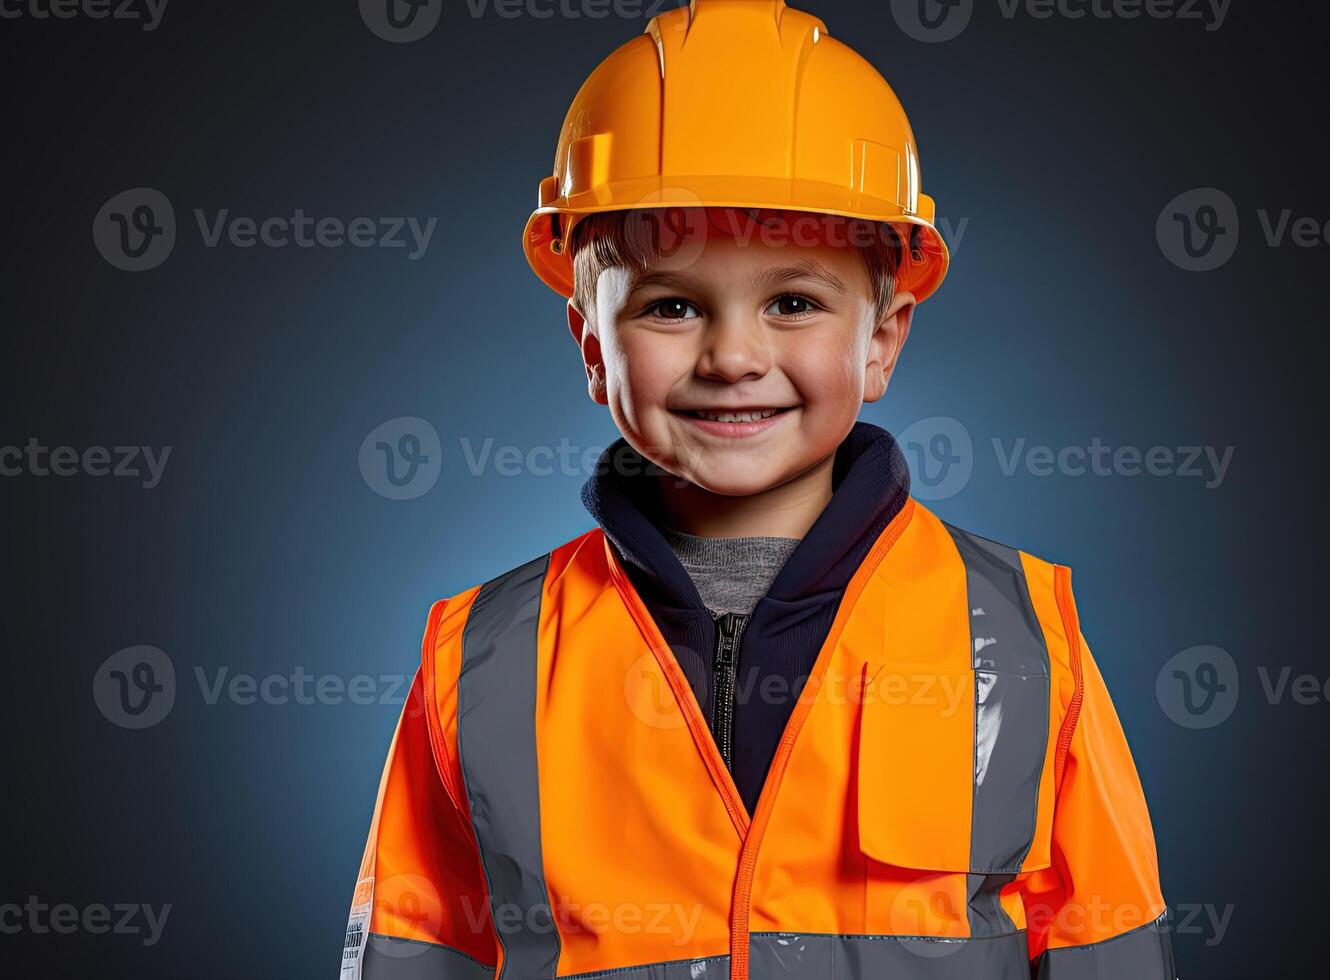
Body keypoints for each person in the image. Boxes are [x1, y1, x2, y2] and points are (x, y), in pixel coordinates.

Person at [340, 3, 1174, 978]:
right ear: (590, 345)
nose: (733, 356)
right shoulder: (476, 660)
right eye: (670, 305)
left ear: (882, 339)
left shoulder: (1026, 634)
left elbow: (1106, 945)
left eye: (792, 301)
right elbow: (413, 954)